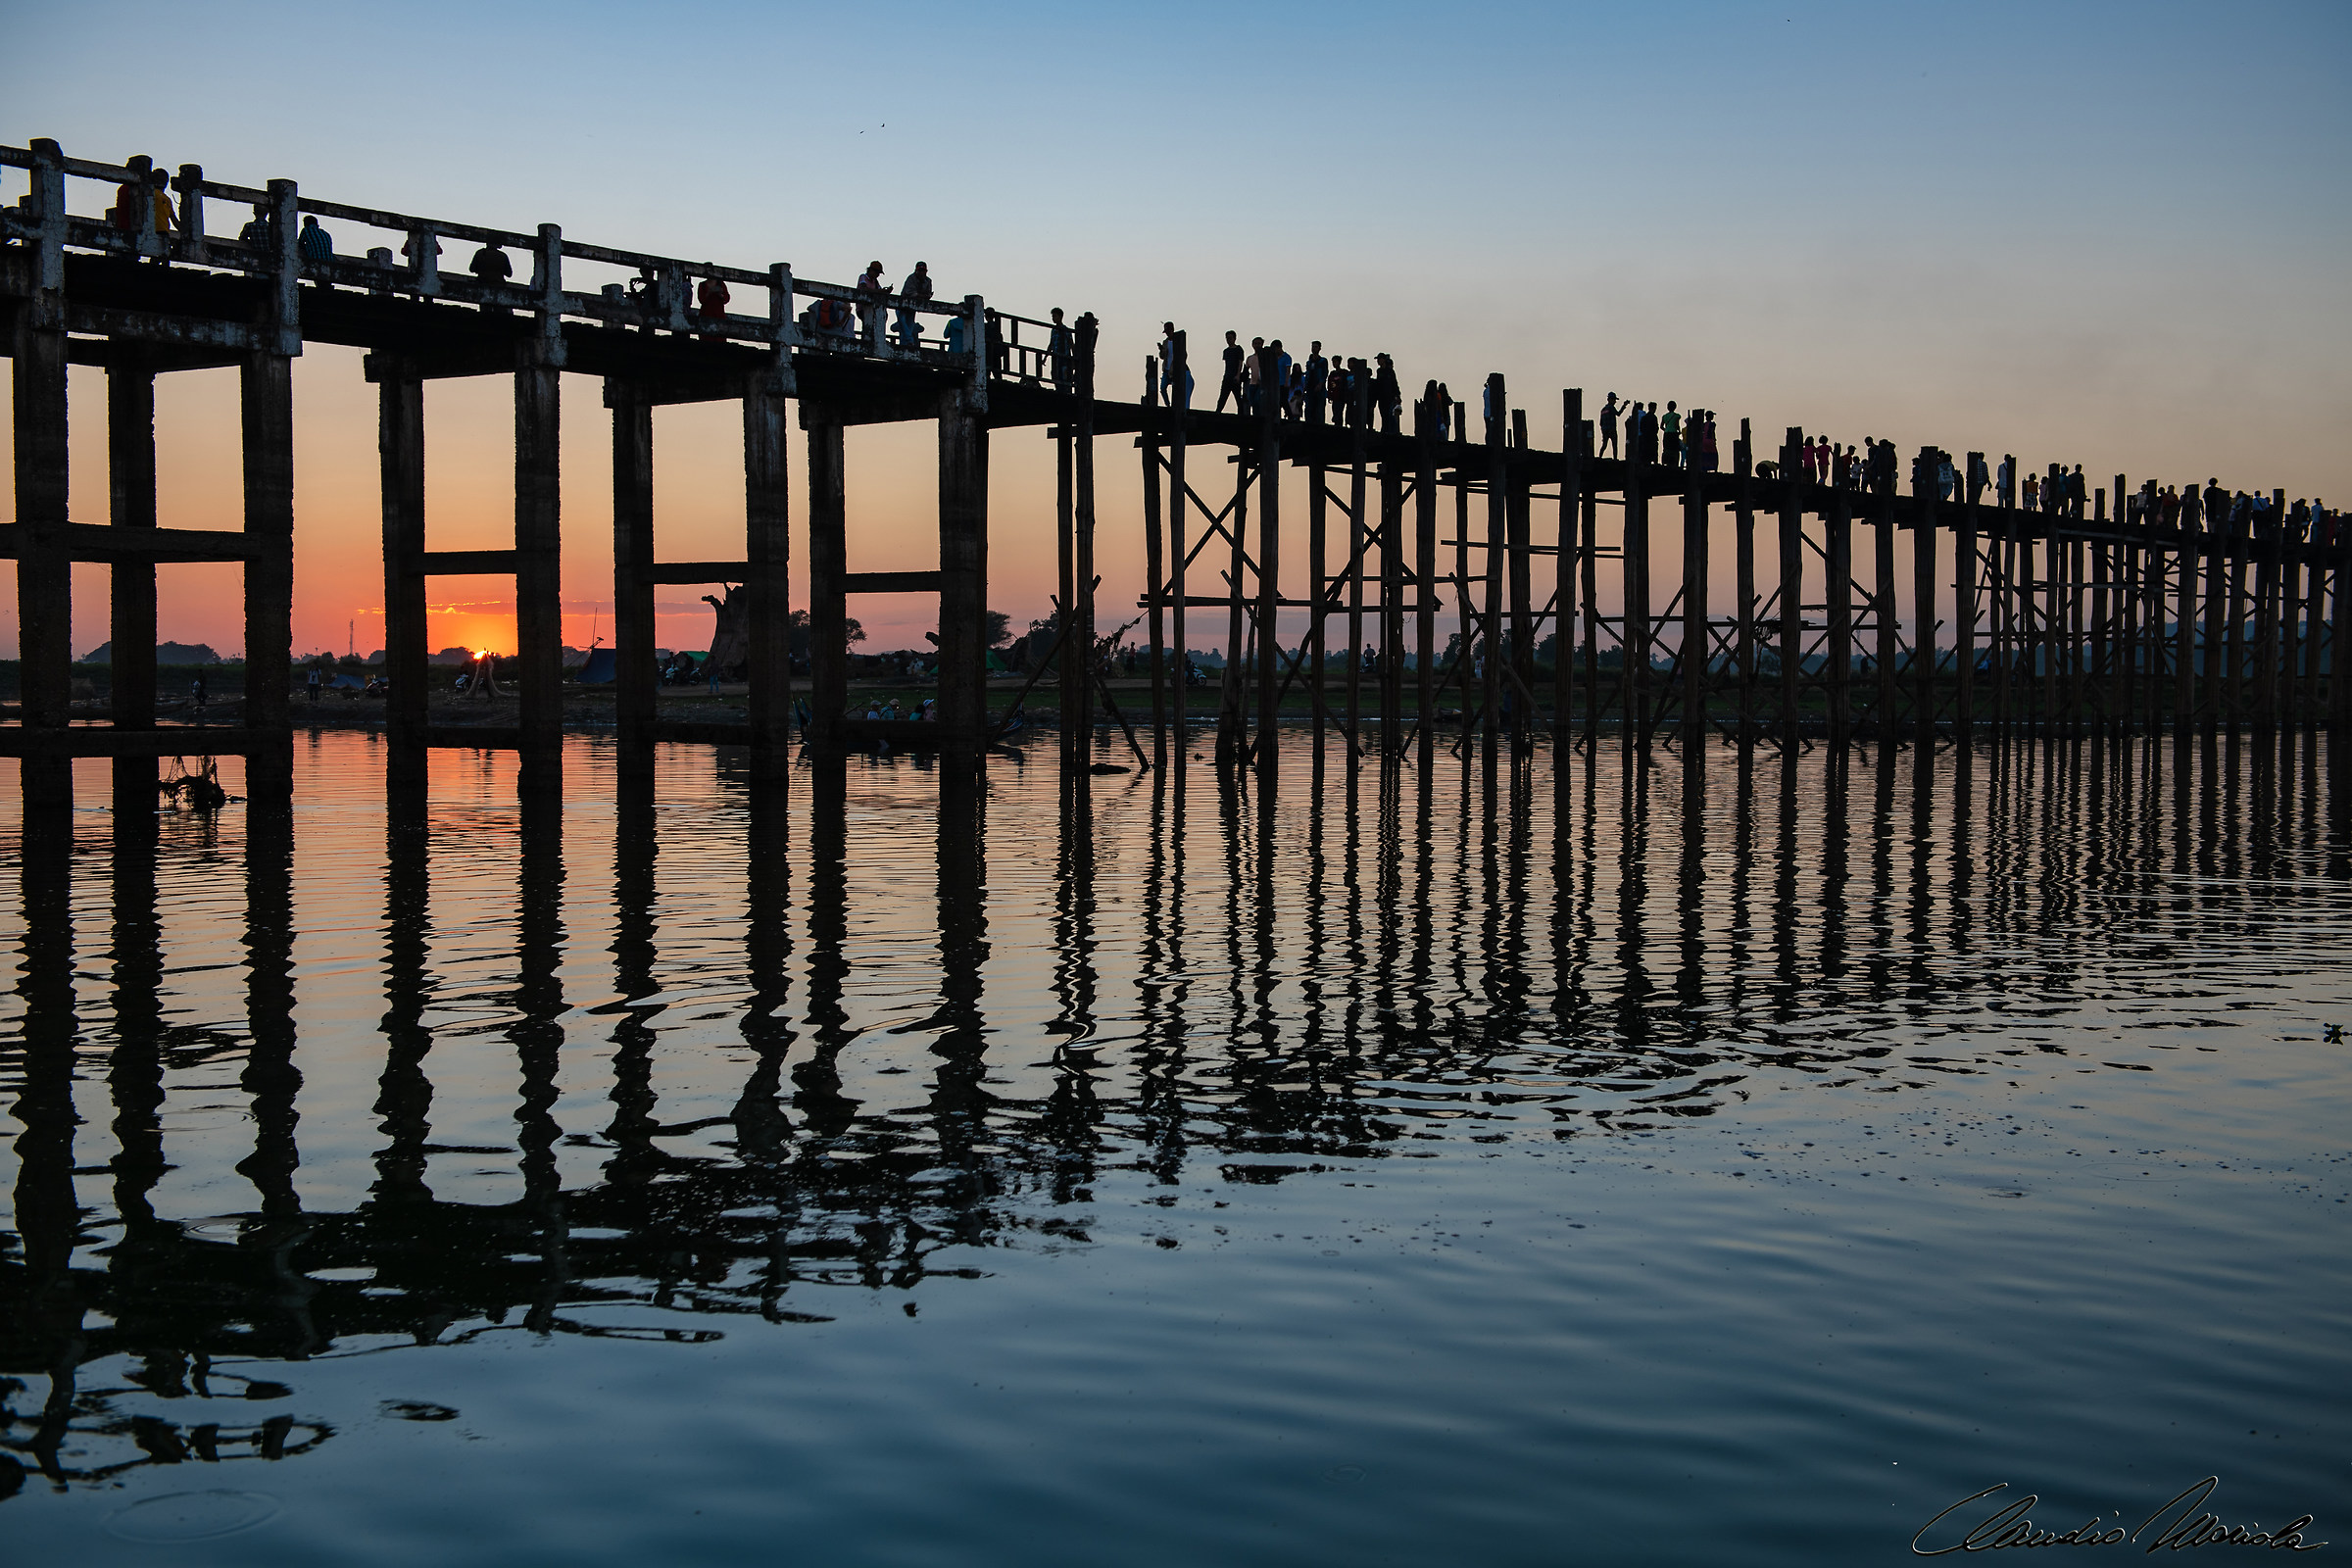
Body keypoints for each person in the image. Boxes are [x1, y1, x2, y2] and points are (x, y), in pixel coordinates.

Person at [897, 261, 932, 344]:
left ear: (926, 271)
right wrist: (924, 296)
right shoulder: (911, 278)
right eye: (920, 270)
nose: (921, 272)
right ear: (916, 270)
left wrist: (923, 296)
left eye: (923, 270)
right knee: (902, 323)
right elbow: (911, 294)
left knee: (909, 326)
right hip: (902, 305)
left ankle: (907, 344)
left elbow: (928, 294)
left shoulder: (928, 281)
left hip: (913, 308)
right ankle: (909, 341)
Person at [1216, 330, 1245, 414]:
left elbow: (1240, 362)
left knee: (1238, 397)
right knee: (1223, 397)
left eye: (1230, 338)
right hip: (1227, 376)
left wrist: (1238, 375)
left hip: (1235, 376)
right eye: (1227, 338)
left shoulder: (1238, 349)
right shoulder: (1226, 351)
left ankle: (1241, 414)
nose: (1228, 340)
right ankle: (1217, 412)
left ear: (1234, 338)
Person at [696, 273, 730, 342]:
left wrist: (720, 294)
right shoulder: (702, 285)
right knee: (705, 338)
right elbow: (701, 299)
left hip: (719, 315)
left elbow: (726, 299)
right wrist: (709, 292)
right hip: (706, 314)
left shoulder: (721, 284)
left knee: (720, 338)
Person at [1048, 307, 1072, 391]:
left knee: (1064, 375)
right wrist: (1045, 357)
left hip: (1065, 357)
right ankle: (1059, 390)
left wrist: (1073, 359)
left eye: (1055, 316)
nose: (1053, 318)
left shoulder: (1066, 330)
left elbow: (1071, 344)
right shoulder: (1053, 330)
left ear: (1060, 317)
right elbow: (1051, 344)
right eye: (1052, 316)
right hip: (1055, 357)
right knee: (1055, 374)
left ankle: (1064, 391)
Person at [1661, 401, 1683, 468]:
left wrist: (1666, 430)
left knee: (1666, 448)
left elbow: (1661, 426)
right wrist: (1679, 431)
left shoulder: (1664, 416)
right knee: (1674, 449)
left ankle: (1666, 462)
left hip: (1666, 434)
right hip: (1673, 434)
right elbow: (1677, 425)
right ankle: (1674, 463)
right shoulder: (1677, 416)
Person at [1599, 393, 1621, 459]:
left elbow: (1601, 422)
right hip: (1612, 430)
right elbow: (1618, 414)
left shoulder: (1603, 409)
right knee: (1614, 445)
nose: (1615, 402)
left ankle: (1600, 457)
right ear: (1610, 400)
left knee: (1604, 445)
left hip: (1605, 430)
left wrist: (1603, 430)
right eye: (1614, 400)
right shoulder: (1611, 407)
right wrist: (1624, 406)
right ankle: (1615, 459)